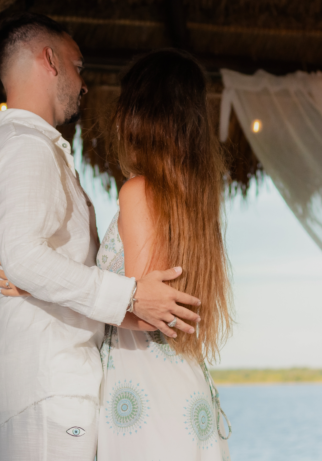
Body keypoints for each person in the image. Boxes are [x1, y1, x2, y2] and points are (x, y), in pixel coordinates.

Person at [0, 14, 201, 461]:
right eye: (78, 67)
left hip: (52, 377)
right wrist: (132, 295)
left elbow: (29, 261)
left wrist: (35, 283)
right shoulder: (27, 148)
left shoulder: (21, 145)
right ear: (50, 60)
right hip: (51, 379)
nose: (84, 83)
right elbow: (21, 255)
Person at [95, 49, 233, 460]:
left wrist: (48, 292)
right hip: (184, 391)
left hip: (144, 397)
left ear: (141, 114)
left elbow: (143, 311)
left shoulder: (139, 191)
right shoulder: (195, 202)